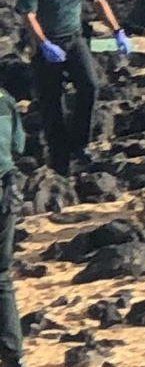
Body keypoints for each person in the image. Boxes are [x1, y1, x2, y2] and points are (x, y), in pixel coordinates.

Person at [17, 0, 130, 175]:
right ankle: (59, 160)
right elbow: (28, 14)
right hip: (46, 45)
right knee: (52, 103)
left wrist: (117, 30)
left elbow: (98, 0)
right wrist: (44, 44)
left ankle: (80, 145)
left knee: (90, 86)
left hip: (74, 39)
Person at [0, 88, 25, 367]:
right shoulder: (5, 98)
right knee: (2, 278)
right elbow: (18, 146)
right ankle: (13, 355)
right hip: (7, 193)